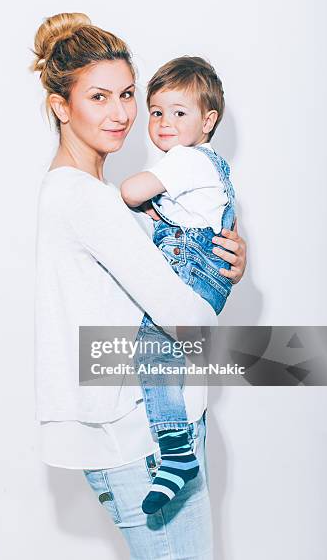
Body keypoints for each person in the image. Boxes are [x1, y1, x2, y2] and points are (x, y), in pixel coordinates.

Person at [30, 12, 247, 559]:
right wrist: (215, 278)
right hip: (142, 444)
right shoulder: (88, 199)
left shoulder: (93, 196)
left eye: (127, 94)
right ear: (62, 106)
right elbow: (186, 318)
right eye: (98, 97)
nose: (122, 113)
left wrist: (222, 260)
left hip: (140, 433)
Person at [120, 56, 236, 514]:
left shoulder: (186, 161)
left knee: (151, 349)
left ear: (207, 122)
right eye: (156, 111)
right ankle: (177, 450)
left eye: (179, 112)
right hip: (204, 273)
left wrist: (134, 194)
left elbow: (130, 192)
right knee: (161, 355)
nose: (164, 122)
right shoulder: (201, 168)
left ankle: (176, 452)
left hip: (194, 270)